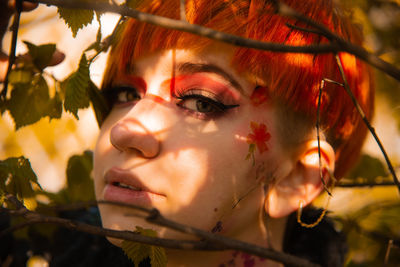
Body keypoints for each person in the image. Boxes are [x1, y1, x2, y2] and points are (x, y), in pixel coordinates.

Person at [0, 0, 374, 266]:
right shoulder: (32, 248)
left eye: (200, 102)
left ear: (297, 178)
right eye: (126, 94)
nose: (125, 130)